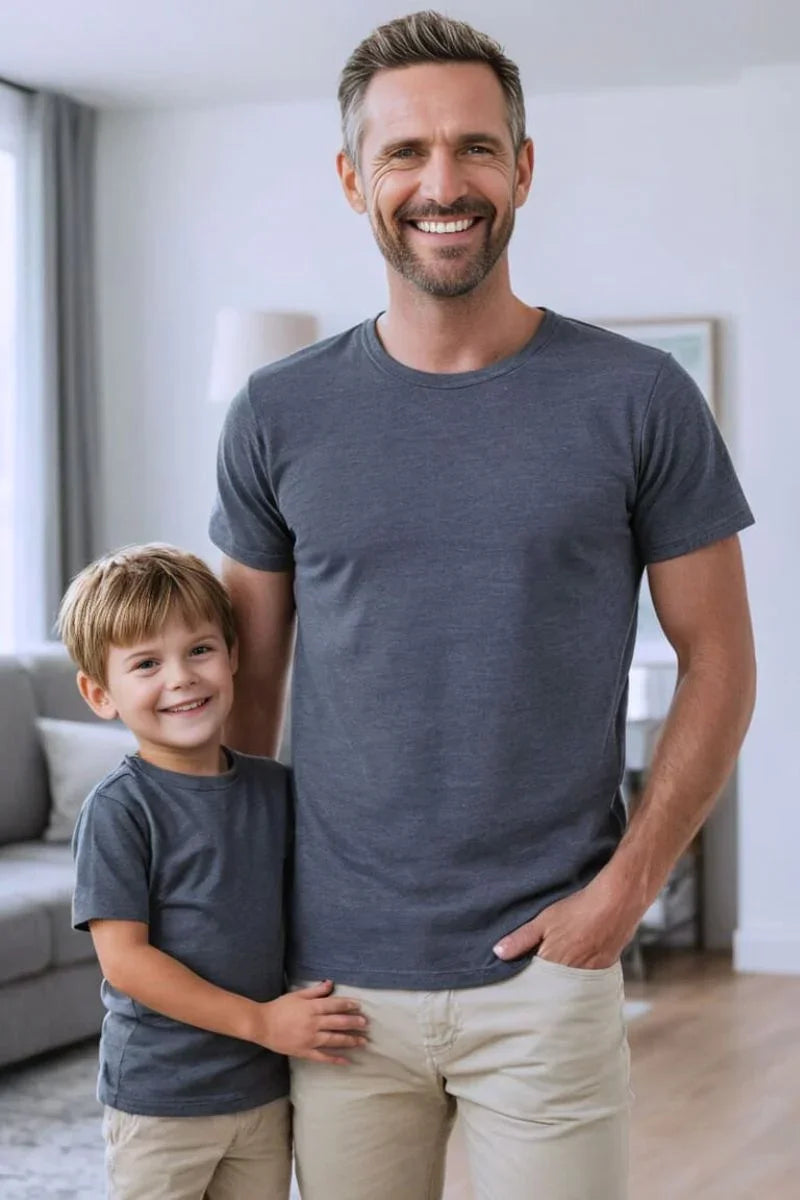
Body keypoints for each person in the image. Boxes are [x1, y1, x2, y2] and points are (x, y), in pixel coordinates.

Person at [209, 11, 756, 1200]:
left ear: (522, 165)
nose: (440, 184)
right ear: (354, 178)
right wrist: (231, 938)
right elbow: (246, 692)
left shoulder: (636, 399)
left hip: (546, 975)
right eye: (403, 153)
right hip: (332, 984)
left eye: (472, 147)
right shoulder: (274, 414)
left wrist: (627, 891)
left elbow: (717, 660)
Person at [59, 544, 366, 1200]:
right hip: (160, 1099)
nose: (181, 678)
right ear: (100, 694)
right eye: (146, 663)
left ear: (232, 655)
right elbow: (127, 964)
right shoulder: (120, 809)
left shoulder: (275, 789)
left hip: (262, 1091)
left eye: (199, 650)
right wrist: (262, 1023)